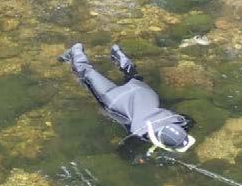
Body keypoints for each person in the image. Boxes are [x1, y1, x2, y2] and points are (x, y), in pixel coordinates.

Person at [59, 43, 195, 154]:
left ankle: (119, 54)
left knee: (134, 78)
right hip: (116, 100)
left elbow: (191, 121)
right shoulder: (138, 136)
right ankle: (75, 51)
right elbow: (123, 154)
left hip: (145, 94)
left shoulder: (180, 120)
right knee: (87, 74)